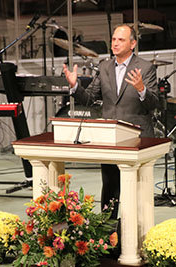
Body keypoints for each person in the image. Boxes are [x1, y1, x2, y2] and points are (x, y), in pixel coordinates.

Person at [63, 24, 160, 219]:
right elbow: (90, 98)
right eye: (114, 39)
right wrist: (75, 86)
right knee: (110, 189)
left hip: (137, 139)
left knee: (137, 194)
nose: (115, 43)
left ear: (132, 44)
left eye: (121, 40)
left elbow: (154, 104)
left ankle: (136, 236)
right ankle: (108, 233)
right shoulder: (104, 67)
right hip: (110, 140)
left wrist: (142, 89)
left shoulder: (146, 68)